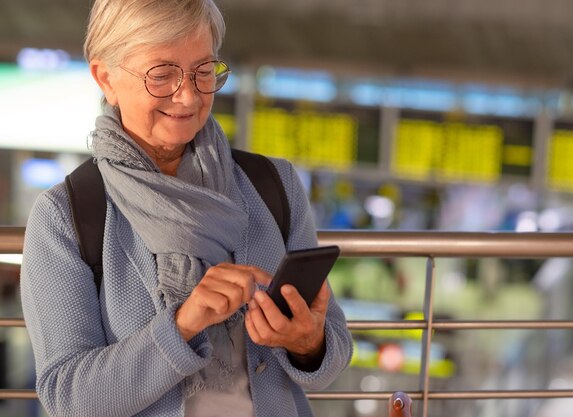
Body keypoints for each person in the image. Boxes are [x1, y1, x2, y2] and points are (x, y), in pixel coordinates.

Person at [19, 0, 353, 416]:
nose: (188, 95)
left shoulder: (274, 186)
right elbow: (67, 398)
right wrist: (182, 326)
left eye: (203, 71)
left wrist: (307, 343)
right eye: (162, 75)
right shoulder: (65, 217)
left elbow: (333, 352)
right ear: (105, 78)